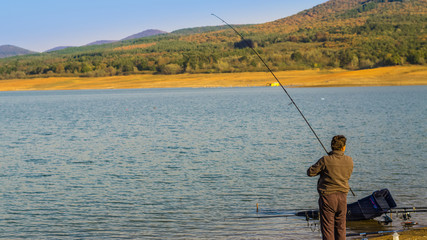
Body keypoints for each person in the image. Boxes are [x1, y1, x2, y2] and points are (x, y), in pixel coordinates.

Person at [307, 135, 353, 240]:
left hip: (328, 198)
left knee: (328, 228)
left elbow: (310, 172)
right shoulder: (349, 160)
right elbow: (347, 175)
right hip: (342, 197)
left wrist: (325, 162)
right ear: (343, 147)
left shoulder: (325, 160)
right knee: (341, 227)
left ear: (332, 146)